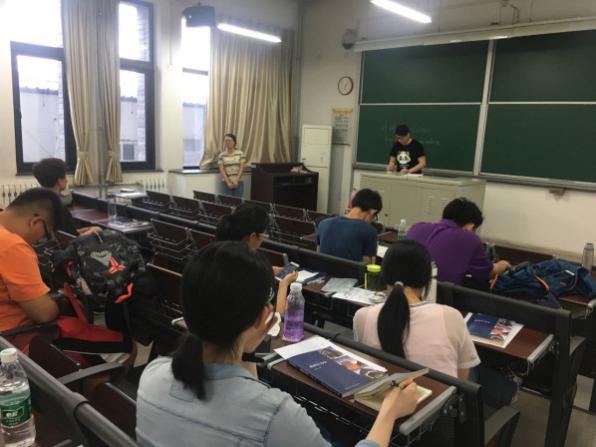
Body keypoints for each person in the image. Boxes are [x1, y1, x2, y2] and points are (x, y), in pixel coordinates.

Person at [136, 242, 419, 447]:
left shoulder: (153, 375)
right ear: (263, 317)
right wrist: (389, 411)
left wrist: (246, 348)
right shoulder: (274, 414)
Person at [353, 240, 517, 408]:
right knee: (473, 367)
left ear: (384, 275)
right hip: (436, 412)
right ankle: (510, 391)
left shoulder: (362, 316)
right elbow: (461, 380)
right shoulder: (450, 316)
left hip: (380, 407)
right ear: (427, 279)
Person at [0, 188, 62, 352]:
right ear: (36, 222)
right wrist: (62, 301)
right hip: (11, 341)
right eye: (44, 235)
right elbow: (42, 314)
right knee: (119, 349)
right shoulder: (13, 246)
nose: (38, 241)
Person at [407, 198, 511, 286]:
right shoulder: (469, 238)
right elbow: (488, 273)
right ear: (471, 226)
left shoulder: (416, 228)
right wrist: (504, 264)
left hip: (406, 294)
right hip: (441, 298)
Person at [216, 204, 298, 314]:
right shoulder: (251, 273)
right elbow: (277, 317)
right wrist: (284, 284)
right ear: (253, 237)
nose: (263, 240)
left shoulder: (218, 257)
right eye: (264, 236)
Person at [32, 158, 101, 236]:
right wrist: (95, 230)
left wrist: (88, 230)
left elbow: (68, 233)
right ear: (59, 181)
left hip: (53, 242)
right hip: (69, 243)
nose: (66, 180)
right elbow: (74, 238)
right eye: (65, 176)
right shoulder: (60, 209)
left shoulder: (37, 205)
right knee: (99, 230)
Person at [316, 188, 380, 264]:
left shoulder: (323, 224)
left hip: (323, 271)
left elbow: (318, 256)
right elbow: (368, 266)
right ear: (373, 212)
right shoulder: (369, 231)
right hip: (351, 272)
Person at [218, 133, 246, 198]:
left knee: (238, 202)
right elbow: (222, 170)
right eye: (226, 141)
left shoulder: (240, 153)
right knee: (227, 202)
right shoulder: (221, 155)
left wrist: (236, 180)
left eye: (229, 140)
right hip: (226, 183)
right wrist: (228, 182)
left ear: (234, 142)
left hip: (238, 182)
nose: (227, 142)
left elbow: (242, 168)